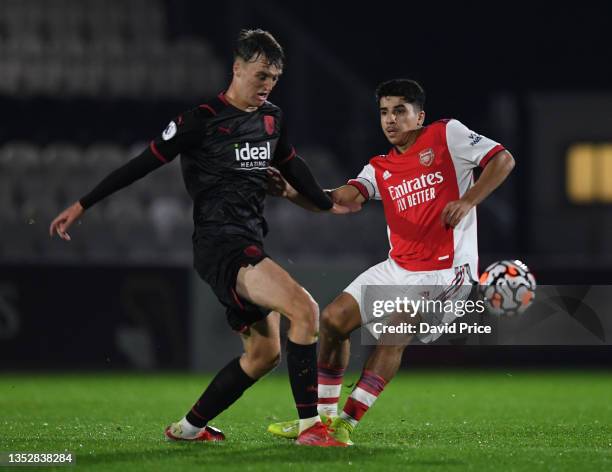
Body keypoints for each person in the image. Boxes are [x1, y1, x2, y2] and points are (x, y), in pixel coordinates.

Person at [49, 29, 351, 447]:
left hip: (249, 242)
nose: (267, 85)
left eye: (275, 79)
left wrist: (325, 201)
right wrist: (83, 204)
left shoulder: (272, 119)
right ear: (237, 68)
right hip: (220, 245)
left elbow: (294, 168)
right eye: (261, 75)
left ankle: (189, 429)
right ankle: (311, 430)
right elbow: (141, 164)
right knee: (305, 310)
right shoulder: (200, 120)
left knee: (264, 355)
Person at [267, 78, 515, 445]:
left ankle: (347, 424)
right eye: (384, 112)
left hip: (447, 270)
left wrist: (469, 200)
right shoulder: (379, 167)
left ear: (420, 116)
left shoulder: (448, 134)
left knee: (394, 329)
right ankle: (321, 422)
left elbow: (503, 159)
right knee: (333, 320)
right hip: (398, 266)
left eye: (400, 110)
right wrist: (292, 192)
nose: (390, 120)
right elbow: (342, 200)